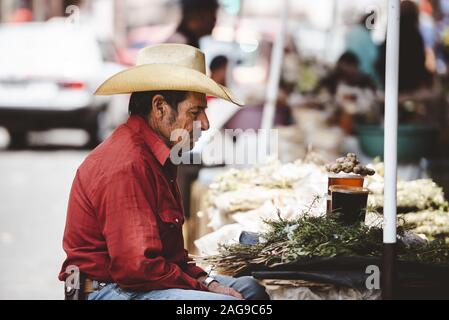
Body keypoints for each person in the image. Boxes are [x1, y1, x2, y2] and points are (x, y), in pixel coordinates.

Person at [59, 43, 269, 300]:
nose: (205, 123)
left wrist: (206, 280)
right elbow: (138, 268)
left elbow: (171, 259)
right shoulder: (128, 164)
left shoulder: (158, 155)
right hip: (107, 290)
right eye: (195, 111)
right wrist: (206, 287)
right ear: (159, 108)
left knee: (251, 290)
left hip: (136, 281)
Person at [376, 0, 433, 93]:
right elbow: (419, 59)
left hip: (393, 82)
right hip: (408, 83)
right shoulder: (414, 34)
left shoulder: (393, 30)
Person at [345, 12, 379, 84]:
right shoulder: (366, 35)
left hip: (350, 69)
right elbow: (374, 55)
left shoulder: (351, 31)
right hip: (364, 71)